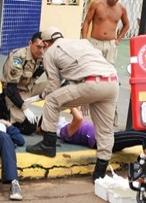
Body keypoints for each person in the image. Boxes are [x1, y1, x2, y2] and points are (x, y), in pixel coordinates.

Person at [25, 26, 119, 182]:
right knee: (105, 130)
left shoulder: (51, 52)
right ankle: (100, 173)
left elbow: (53, 86)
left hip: (92, 84)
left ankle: (48, 145)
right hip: (112, 83)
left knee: (52, 101)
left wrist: (39, 96)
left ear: (47, 43)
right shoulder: (82, 43)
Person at [0, 31, 47, 135]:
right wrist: (25, 108)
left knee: (56, 87)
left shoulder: (43, 57)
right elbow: (10, 88)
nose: (41, 51)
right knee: (29, 127)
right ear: (30, 43)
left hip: (29, 90)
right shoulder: (18, 58)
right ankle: (3, 108)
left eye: (43, 47)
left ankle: (45, 122)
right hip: (14, 94)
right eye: (38, 47)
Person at [56, 108, 146, 152]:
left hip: (105, 135)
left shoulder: (68, 127)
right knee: (143, 137)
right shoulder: (65, 133)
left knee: (141, 130)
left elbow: (79, 113)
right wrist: (71, 105)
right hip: (103, 141)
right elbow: (79, 118)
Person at [81, 0, 129, 66]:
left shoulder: (122, 8)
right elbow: (87, 21)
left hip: (111, 45)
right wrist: (84, 40)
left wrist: (118, 39)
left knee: (108, 70)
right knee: (93, 67)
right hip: (95, 43)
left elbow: (126, 25)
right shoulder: (96, 4)